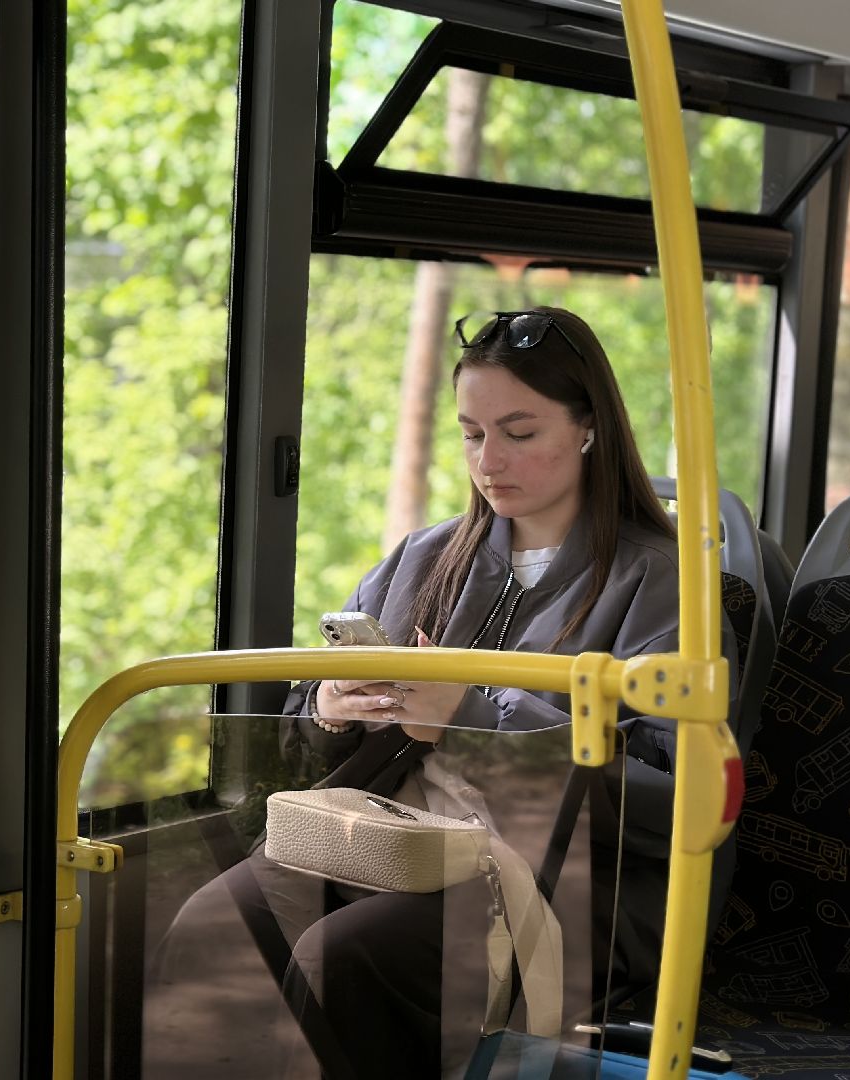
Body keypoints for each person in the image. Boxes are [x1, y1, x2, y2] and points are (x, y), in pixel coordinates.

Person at [143, 307, 740, 1079]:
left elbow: (672, 799)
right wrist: (330, 707)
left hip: (557, 880)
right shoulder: (422, 560)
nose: (489, 460)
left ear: (588, 428)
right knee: (214, 925)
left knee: (347, 957)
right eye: (471, 433)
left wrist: (467, 716)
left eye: (519, 433)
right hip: (393, 839)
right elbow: (295, 751)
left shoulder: (661, 587)